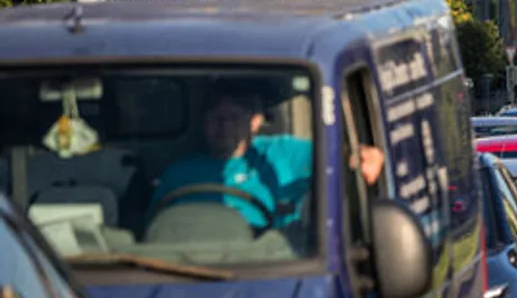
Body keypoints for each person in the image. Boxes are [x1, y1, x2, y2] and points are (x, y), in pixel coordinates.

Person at [152, 87, 385, 228]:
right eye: (215, 119)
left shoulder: (283, 152)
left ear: (255, 121)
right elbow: (154, 229)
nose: (223, 127)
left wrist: (365, 157)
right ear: (204, 124)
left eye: (233, 118)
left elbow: (344, 156)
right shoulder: (179, 173)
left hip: (274, 261)